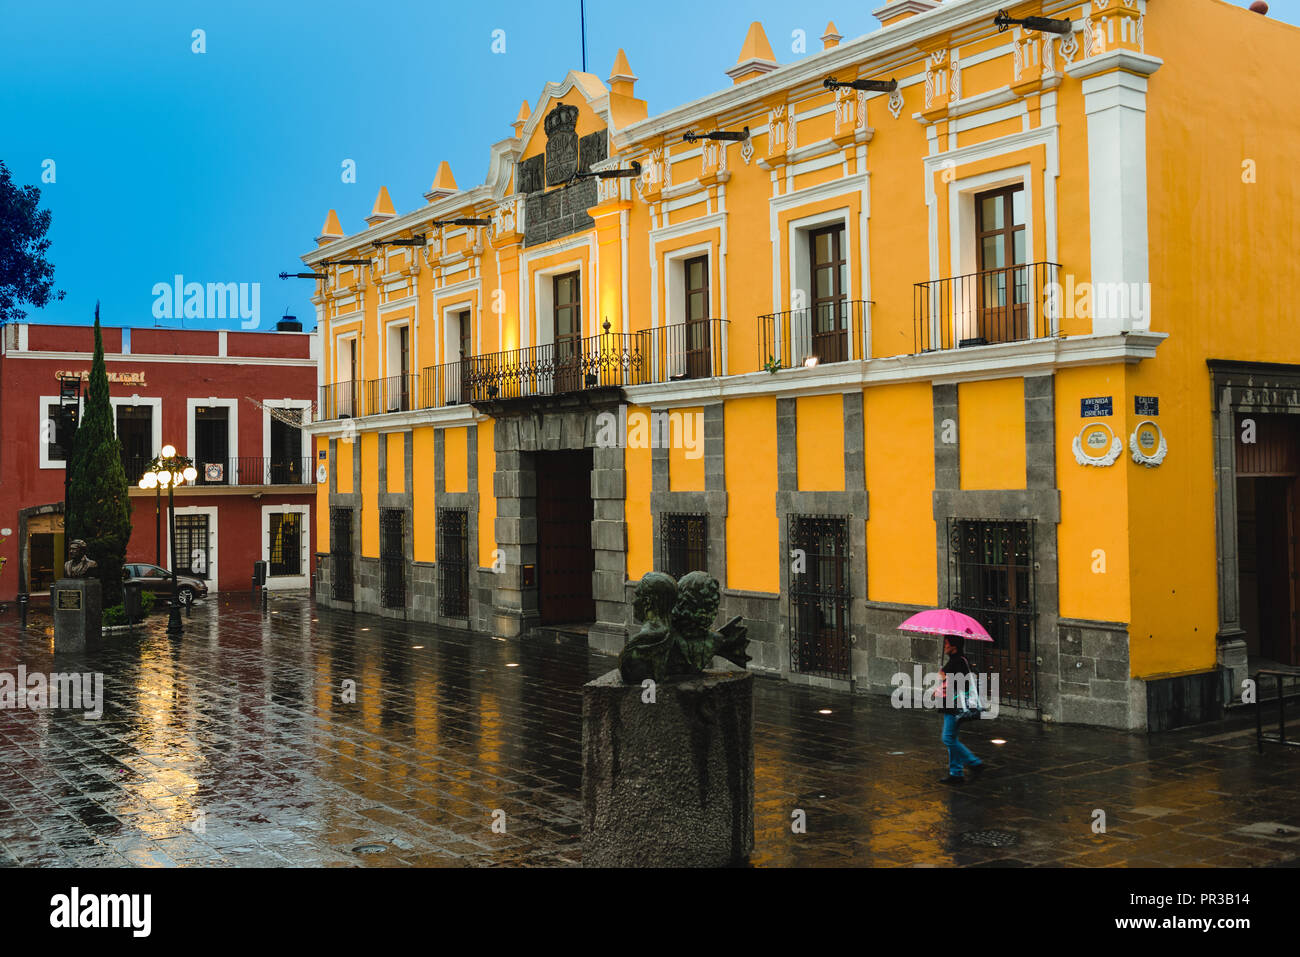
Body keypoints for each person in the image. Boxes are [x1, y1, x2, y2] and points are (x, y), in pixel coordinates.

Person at [938, 635, 984, 786]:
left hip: (955, 706)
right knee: (952, 738)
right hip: (952, 704)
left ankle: (974, 762)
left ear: (954, 646)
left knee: (947, 738)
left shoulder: (958, 661)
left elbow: (959, 684)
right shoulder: (956, 660)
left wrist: (944, 677)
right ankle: (956, 773)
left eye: (946, 643)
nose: (944, 646)